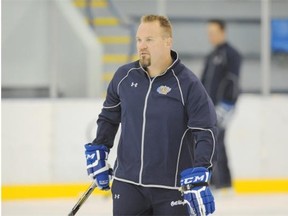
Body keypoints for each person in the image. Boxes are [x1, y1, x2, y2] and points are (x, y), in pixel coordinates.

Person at [85, 15, 217, 216]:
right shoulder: (124, 77)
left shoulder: (188, 84)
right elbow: (108, 118)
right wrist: (99, 148)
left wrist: (201, 171)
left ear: (167, 41)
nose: (142, 46)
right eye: (139, 40)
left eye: (149, 39)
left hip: (172, 190)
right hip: (127, 186)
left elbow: (205, 131)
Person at [201, 19, 242, 190]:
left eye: (214, 32)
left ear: (223, 32)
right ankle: (222, 182)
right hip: (208, 106)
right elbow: (203, 82)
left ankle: (220, 183)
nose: (211, 36)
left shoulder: (231, 54)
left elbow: (233, 82)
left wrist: (226, 105)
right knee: (214, 140)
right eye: (209, 33)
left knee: (215, 139)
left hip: (223, 106)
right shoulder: (211, 56)